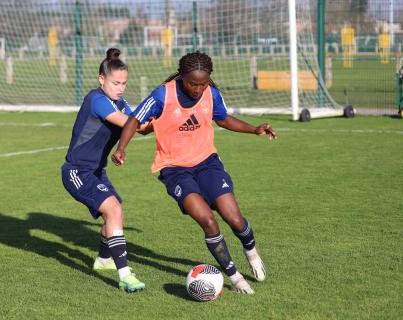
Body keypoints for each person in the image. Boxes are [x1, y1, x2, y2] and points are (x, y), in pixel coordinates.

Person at [111, 51, 277, 294]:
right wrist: (121, 148)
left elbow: (223, 119)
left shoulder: (211, 93)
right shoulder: (163, 94)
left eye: (203, 83)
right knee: (208, 221)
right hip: (175, 170)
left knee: (234, 219)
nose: (198, 89)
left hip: (207, 163)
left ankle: (251, 252)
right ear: (182, 76)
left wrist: (254, 129)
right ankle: (234, 276)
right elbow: (134, 120)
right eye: (192, 83)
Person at [61, 48, 150, 292]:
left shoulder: (120, 102)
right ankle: (124, 275)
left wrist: (157, 122)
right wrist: (156, 117)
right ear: (102, 79)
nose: (120, 88)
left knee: (114, 214)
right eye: (115, 82)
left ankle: (103, 260)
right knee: (113, 209)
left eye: (124, 83)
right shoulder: (97, 99)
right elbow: (132, 123)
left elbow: (139, 126)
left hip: (97, 171)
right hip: (77, 172)